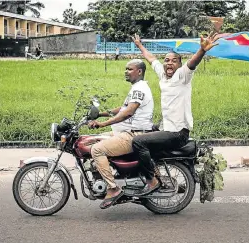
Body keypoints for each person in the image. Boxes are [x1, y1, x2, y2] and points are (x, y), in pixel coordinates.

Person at [131, 32, 219, 196]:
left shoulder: (182, 76)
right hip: (167, 128)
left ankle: (151, 181)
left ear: (179, 64)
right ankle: (158, 178)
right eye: (167, 60)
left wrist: (202, 50)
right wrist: (139, 45)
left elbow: (192, 63)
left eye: (174, 61)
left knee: (138, 142)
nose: (169, 63)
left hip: (177, 133)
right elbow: (151, 59)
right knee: (142, 134)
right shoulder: (163, 75)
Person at [88, 59, 154, 209]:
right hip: (126, 132)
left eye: (130, 69)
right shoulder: (137, 88)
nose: (126, 71)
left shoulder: (139, 89)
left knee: (97, 149)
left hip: (134, 134)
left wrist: (102, 124)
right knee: (92, 140)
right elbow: (123, 108)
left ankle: (112, 188)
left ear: (139, 72)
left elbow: (128, 113)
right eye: (126, 69)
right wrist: (101, 114)